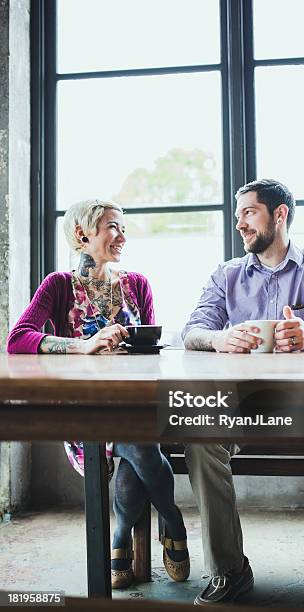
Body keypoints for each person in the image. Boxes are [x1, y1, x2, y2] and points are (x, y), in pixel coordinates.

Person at [182, 179, 304, 610]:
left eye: (248, 212)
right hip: (238, 405)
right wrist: (219, 339)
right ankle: (228, 570)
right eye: (237, 215)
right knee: (197, 434)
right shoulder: (226, 275)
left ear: (280, 214)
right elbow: (192, 331)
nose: (239, 223)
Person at [7, 199, 190, 589]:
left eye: (122, 227)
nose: (122, 236)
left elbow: (150, 346)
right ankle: (172, 520)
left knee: (137, 448)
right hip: (85, 411)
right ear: (81, 234)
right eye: (112, 227)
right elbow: (18, 338)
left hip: (138, 402)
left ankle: (121, 537)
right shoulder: (58, 286)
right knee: (140, 447)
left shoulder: (137, 284)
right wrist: (82, 344)